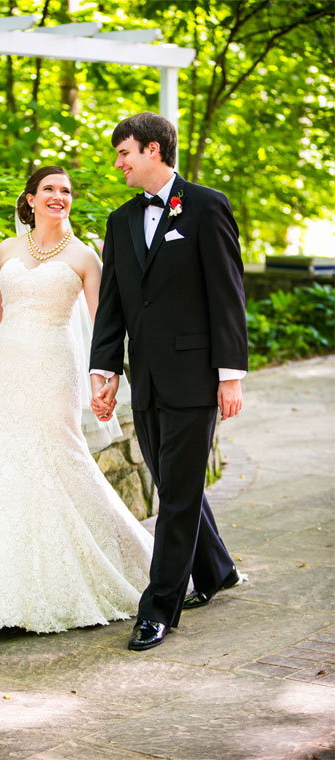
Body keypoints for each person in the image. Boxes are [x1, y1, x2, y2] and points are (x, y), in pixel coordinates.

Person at [0, 166, 154, 633]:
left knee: (59, 456)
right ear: (30, 198)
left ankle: (126, 565)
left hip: (54, 366)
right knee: (0, 460)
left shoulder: (85, 257)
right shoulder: (7, 250)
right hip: (5, 369)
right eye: (50, 189)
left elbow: (104, 326)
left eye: (65, 190)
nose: (59, 196)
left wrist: (103, 380)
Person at [90, 112, 248, 651]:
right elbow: (112, 303)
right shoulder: (119, 221)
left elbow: (228, 295)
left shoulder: (206, 206)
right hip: (147, 379)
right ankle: (217, 569)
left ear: (154, 150)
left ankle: (158, 607)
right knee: (172, 483)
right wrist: (105, 370)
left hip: (197, 375)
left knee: (176, 498)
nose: (119, 163)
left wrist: (230, 377)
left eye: (124, 152)